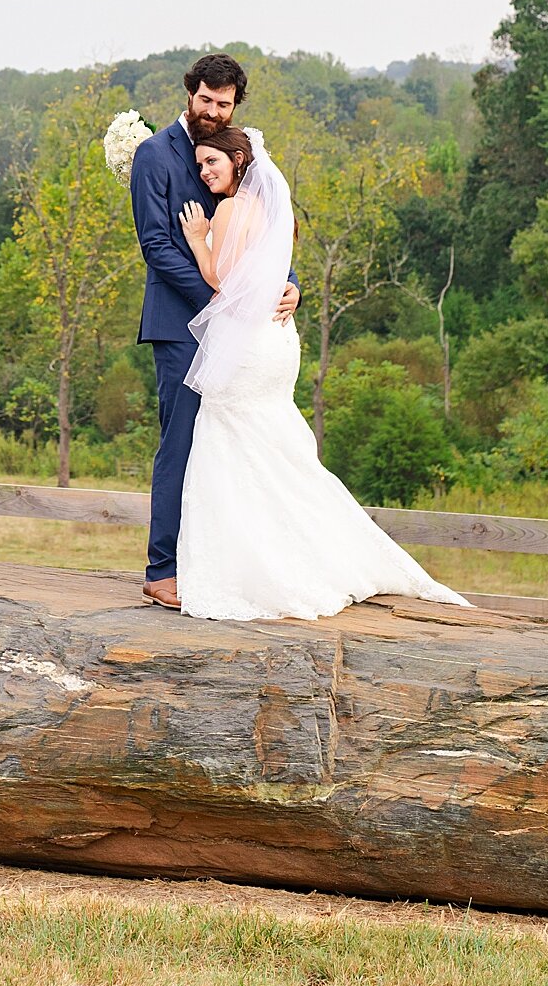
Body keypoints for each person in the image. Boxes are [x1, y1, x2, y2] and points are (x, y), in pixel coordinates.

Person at [175, 122, 467, 621]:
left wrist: (199, 239)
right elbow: (271, 275)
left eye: (211, 163)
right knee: (276, 448)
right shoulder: (275, 212)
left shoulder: (228, 210)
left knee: (230, 443)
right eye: (200, 164)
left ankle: (255, 568)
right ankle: (314, 552)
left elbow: (222, 280)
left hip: (248, 344)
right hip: (278, 342)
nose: (203, 173)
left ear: (239, 162)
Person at [128, 52, 298, 609]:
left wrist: (288, 282)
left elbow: (263, 224)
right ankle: (163, 569)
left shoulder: (238, 151)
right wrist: (224, 303)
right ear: (190, 94)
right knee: (180, 441)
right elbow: (156, 246)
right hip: (181, 324)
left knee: (230, 444)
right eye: (206, 101)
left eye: (223, 105)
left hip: (238, 331)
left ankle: (221, 564)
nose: (213, 112)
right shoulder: (154, 156)